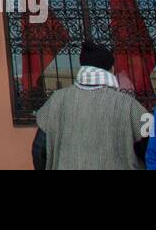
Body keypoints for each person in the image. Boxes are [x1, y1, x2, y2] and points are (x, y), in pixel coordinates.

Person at [31, 41, 148, 170]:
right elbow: (150, 148)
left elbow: (39, 149)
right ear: (111, 69)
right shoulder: (128, 105)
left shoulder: (56, 100)